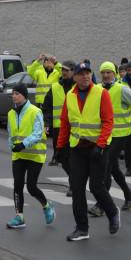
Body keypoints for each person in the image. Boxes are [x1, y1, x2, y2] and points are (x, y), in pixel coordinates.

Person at [57, 62, 120, 241]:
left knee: (96, 187)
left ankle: (112, 212)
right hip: (77, 147)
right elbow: (65, 123)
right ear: (75, 77)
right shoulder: (70, 96)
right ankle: (82, 228)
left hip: (98, 148)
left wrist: (100, 146)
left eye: (88, 73)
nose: (85, 76)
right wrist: (60, 148)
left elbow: (108, 121)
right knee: (77, 188)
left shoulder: (102, 93)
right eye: (81, 73)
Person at [88, 62, 131, 217]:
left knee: (106, 167)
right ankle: (129, 194)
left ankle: (101, 205)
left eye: (109, 72)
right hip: (104, 135)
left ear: (115, 73)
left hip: (120, 134)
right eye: (103, 72)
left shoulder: (122, 89)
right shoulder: (96, 89)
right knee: (114, 168)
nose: (105, 75)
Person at [6, 84, 55, 229]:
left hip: (35, 155)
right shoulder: (11, 113)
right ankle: (19, 216)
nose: (14, 96)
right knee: (17, 185)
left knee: (32, 187)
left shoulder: (35, 111)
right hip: (19, 155)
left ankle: (46, 205)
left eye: (17, 93)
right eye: (12, 94)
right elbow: (10, 133)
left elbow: (38, 132)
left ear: (24, 95)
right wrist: (12, 145)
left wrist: (23, 144)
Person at [42, 61, 75, 196]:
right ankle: (74, 179)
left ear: (73, 71)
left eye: (67, 70)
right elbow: (47, 106)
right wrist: (47, 123)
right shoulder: (55, 87)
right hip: (58, 128)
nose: (64, 72)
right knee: (61, 158)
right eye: (63, 70)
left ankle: (74, 183)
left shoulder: (78, 87)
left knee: (73, 158)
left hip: (74, 129)